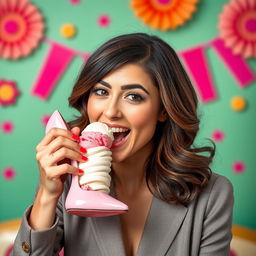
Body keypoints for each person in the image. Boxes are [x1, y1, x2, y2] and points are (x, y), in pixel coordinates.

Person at [12, 33, 234, 256]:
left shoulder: (212, 195)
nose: (110, 112)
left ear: (164, 109)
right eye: (101, 92)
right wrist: (47, 194)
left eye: (133, 96)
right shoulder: (67, 180)